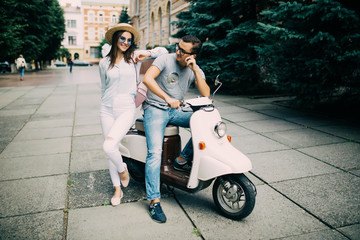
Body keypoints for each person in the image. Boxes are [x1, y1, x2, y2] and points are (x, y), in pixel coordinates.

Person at [142, 35, 210, 223]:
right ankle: (154, 201)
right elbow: (148, 79)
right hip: (155, 107)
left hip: (176, 110)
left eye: (183, 51)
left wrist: (195, 69)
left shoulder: (193, 68)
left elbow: (206, 94)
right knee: (155, 152)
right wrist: (167, 98)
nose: (178, 52)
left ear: (192, 55)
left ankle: (182, 159)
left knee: (206, 121)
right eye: (178, 47)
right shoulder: (166, 58)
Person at [99, 23, 167, 206]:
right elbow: (104, 87)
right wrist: (104, 104)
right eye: (122, 38)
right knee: (110, 151)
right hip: (106, 109)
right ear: (115, 39)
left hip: (126, 109)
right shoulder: (103, 63)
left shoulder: (134, 58)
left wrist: (148, 53)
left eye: (129, 40)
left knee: (109, 146)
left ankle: (123, 170)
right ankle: (117, 189)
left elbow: (163, 51)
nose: (126, 42)